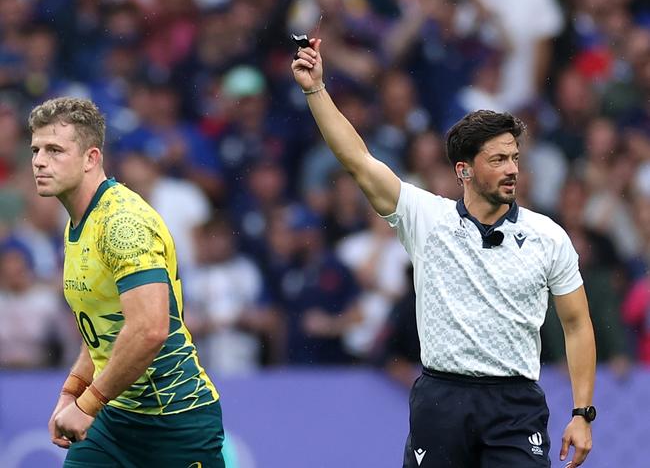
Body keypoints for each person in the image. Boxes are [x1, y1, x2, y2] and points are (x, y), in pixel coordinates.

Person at [292, 39, 596, 467]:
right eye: (498, 159)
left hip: (515, 404)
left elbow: (578, 324)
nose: (512, 169)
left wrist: (582, 413)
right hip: (441, 400)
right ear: (464, 171)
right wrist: (315, 90)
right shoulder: (426, 218)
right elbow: (358, 160)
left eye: (514, 157)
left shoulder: (549, 236)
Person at [29, 97, 224, 467]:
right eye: (36, 149)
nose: (39, 161)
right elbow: (107, 329)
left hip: (174, 421)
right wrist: (71, 391)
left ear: (91, 158)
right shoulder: (77, 220)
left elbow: (149, 330)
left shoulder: (122, 223)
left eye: (55, 150)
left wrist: (87, 404)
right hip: (114, 415)